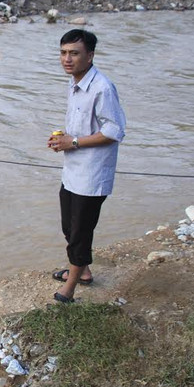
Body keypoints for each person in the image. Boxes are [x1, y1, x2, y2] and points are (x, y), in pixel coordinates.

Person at [47, 29, 126, 304]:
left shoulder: (102, 88)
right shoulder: (75, 83)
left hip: (92, 174)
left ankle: (69, 289)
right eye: (63, 53)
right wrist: (63, 141)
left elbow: (114, 131)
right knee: (68, 226)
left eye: (74, 53)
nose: (67, 59)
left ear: (90, 56)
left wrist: (74, 141)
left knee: (81, 230)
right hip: (73, 170)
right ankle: (84, 272)